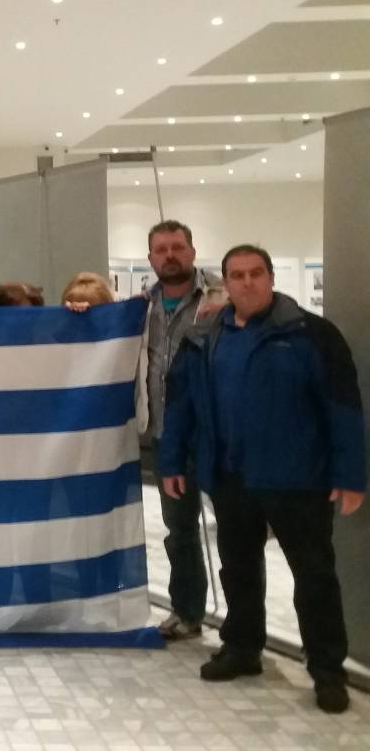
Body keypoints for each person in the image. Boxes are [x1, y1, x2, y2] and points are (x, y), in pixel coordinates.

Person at [160, 244, 366, 714]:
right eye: (237, 275)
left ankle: (327, 670)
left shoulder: (311, 334)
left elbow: (343, 408)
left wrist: (350, 474)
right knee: (238, 569)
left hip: (298, 479)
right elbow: (182, 406)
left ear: (271, 278)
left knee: (313, 575)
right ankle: (242, 647)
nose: (247, 282)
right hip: (230, 477)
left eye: (256, 273)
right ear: (225, 283)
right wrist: (171, 462)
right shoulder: (204, 338)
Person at [136, 220, 225, 642]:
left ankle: (244, 627)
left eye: (177, 247)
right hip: (165, 437)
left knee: (235, 534)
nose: (169, 255)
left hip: (216, 435)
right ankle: (188, 612)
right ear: (150, 258)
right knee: (181, 531)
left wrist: (225, 299)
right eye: (161, 249)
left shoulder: (220, 297)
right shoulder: (141, 307)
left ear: (191, 251)